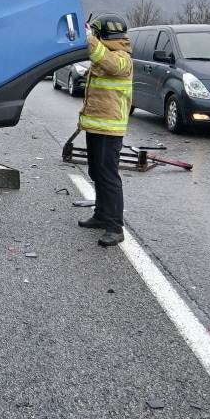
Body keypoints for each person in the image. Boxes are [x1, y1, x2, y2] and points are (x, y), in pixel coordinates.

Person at [76, 13, 134, 246]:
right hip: (96, 126)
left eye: (96, 34)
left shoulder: (122, 58)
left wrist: (89, 39)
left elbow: (109, 63)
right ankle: (101, 215)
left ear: (101, 35)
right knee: (96, 172)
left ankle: (115, 227)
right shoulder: (106, 53)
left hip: (110, 130)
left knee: (108, 177)